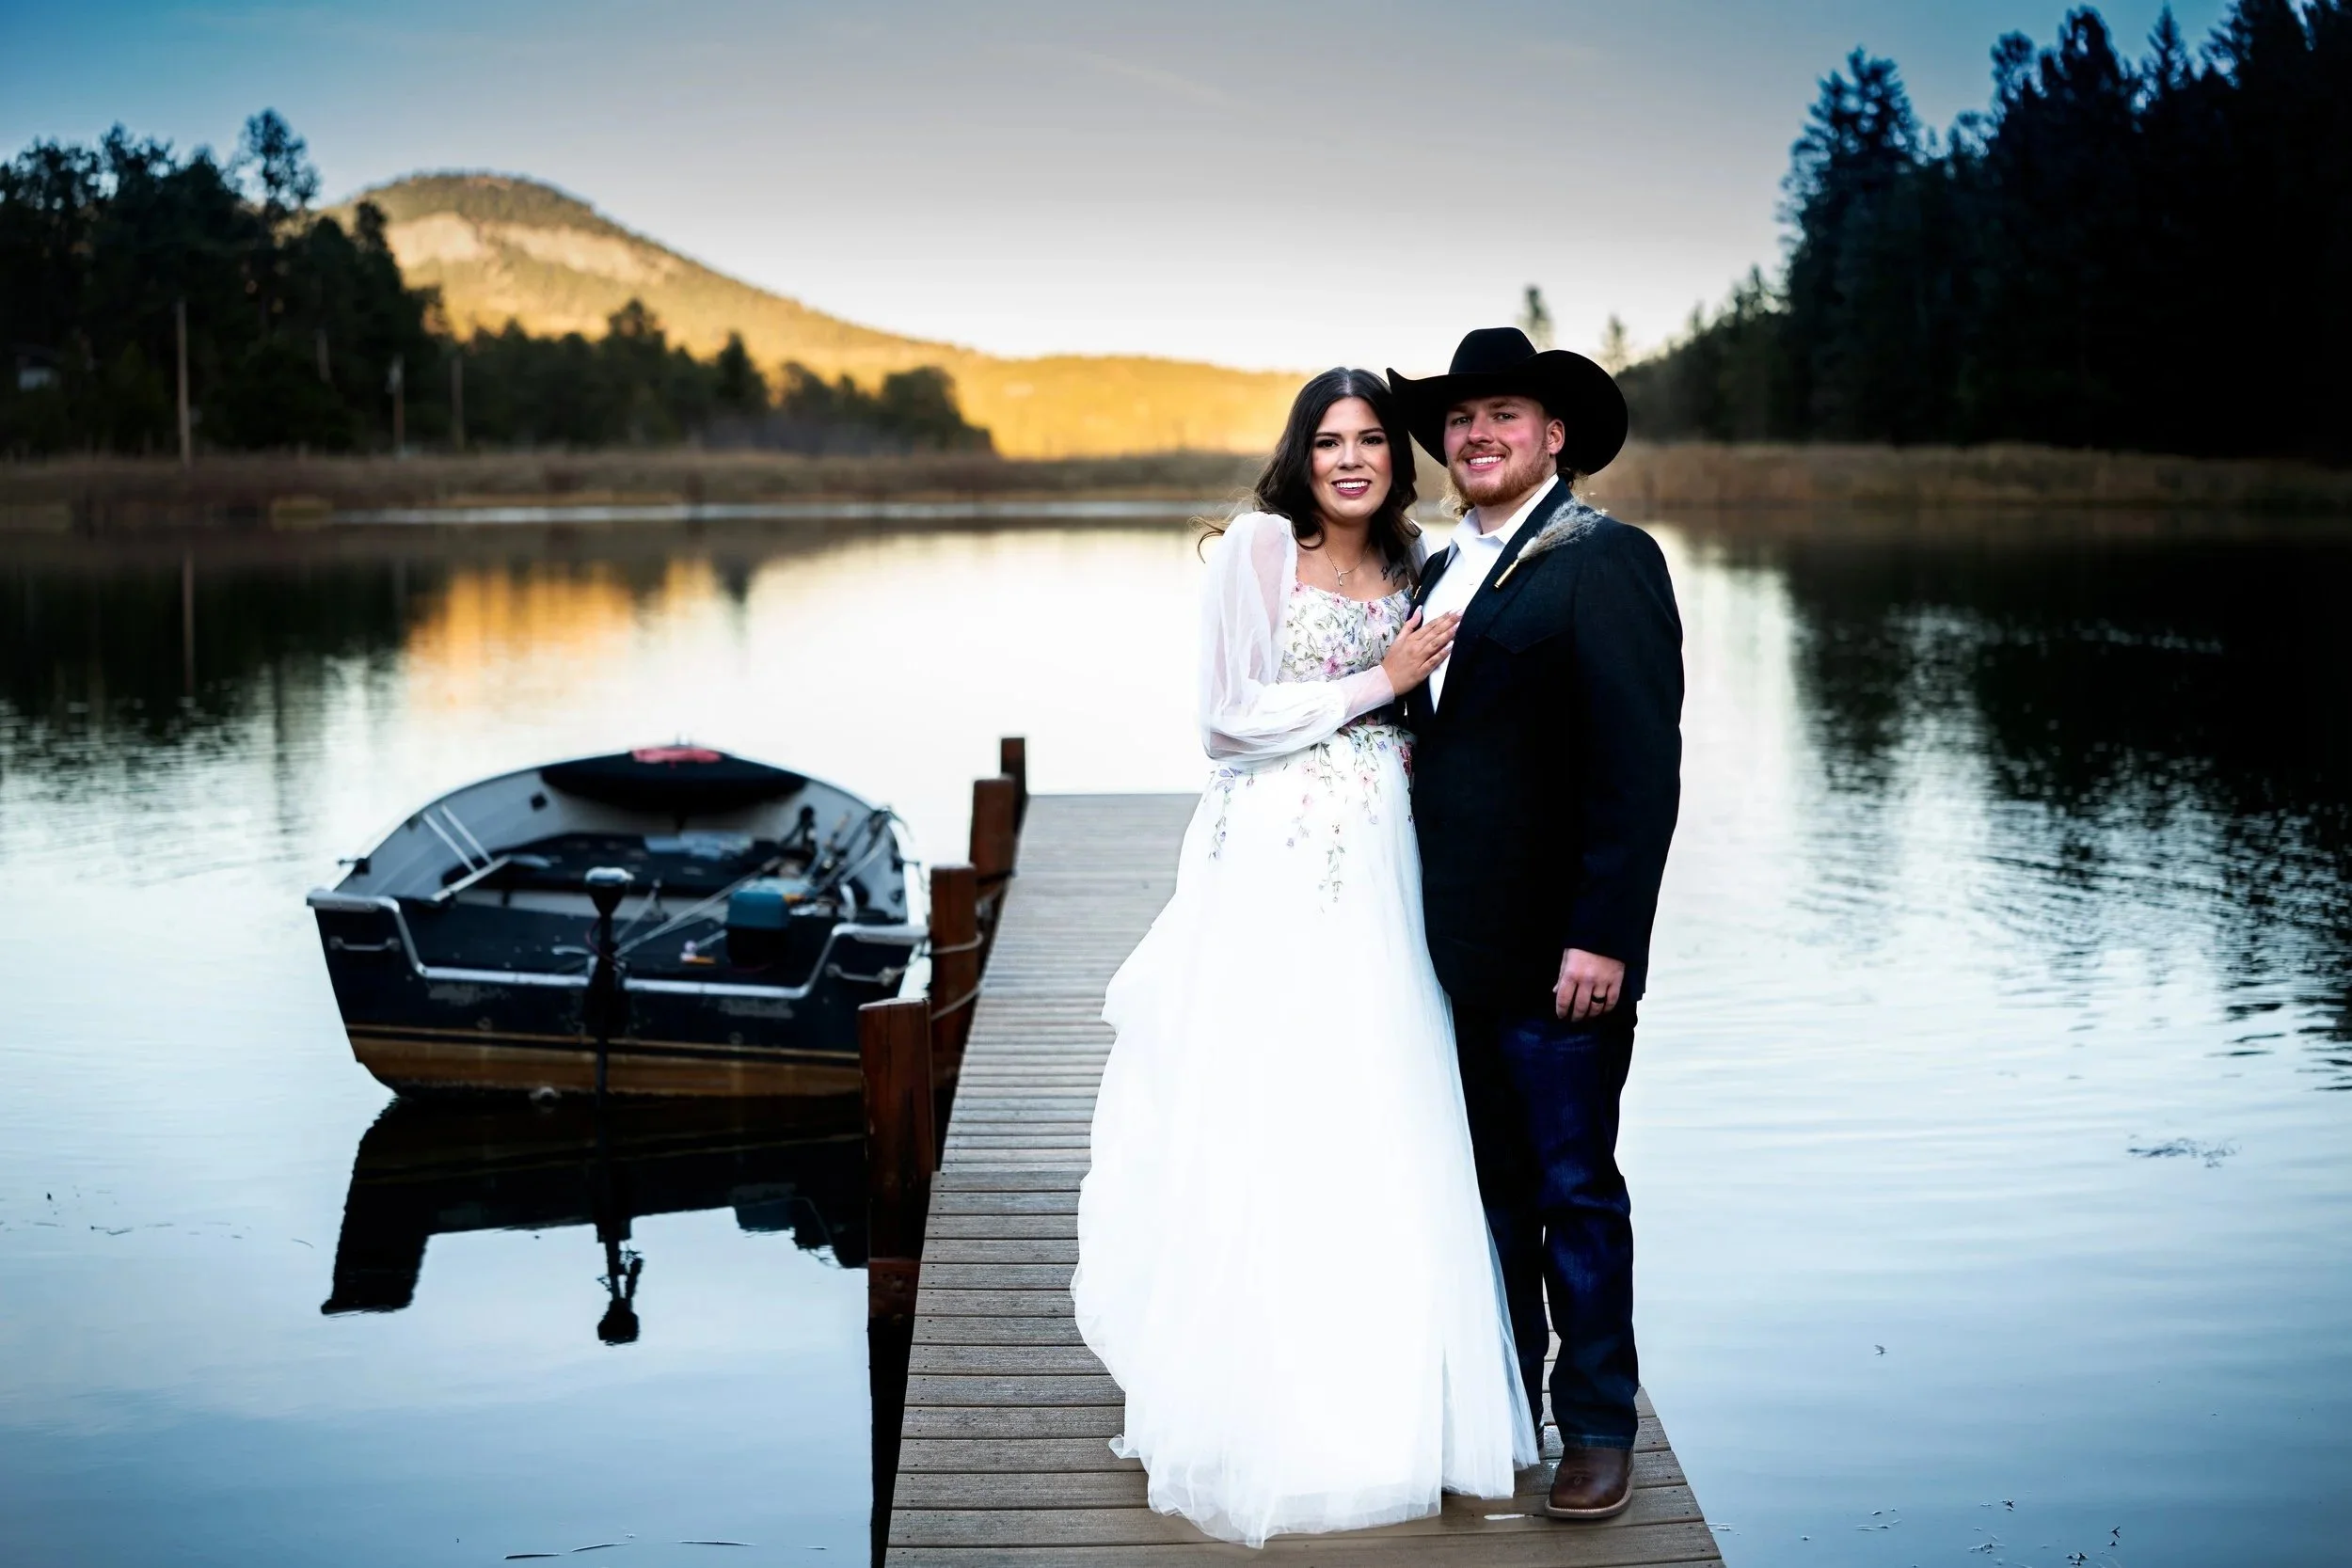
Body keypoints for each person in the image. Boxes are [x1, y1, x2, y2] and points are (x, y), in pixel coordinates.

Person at [1073, 367, 1537, 1546]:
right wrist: (1377, 680)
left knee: (1382, 1095)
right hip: (1275, 854)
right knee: (1273, 1092)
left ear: (1397, 455)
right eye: (1329, 439)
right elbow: (1225, 723)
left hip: (1387, 851)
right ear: (1300, 452)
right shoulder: (1255, 550)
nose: (1349, 459)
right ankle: (1260, 1403)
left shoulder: (1417, 558)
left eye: (1371, 438)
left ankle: (1394, 1411)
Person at [1388, 327, 1684, 1520]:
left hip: (1562, 954)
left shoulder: (1603, 559)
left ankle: (1598, 1422)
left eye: (1502, 414)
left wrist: (1603, 933)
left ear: (1553, 434)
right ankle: (1508, 1400)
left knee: (1574, 1188)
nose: (1478, 434)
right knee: (1487, 1188)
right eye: (1460, 420)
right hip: (1449, 948)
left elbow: (1637, 768)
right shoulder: (1435, 568)